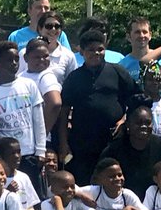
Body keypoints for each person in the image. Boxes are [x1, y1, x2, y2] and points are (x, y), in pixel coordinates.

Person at [58, 30, 136, 185]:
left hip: (114, 141)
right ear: (81, 52)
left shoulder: (118, 71)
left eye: (100, 49)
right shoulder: (74, 78)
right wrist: (63, 143)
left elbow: (136, 99)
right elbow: (63, 112)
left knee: (115, 182)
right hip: (83, 143)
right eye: (91, 50)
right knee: (85, 183)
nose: (96, 53)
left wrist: (125, 119)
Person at [0, 41, 46, 189]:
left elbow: (38, 119)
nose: (13, 63)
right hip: (4, 156)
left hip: (29, 153)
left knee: (32, 194)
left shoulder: (29, 85)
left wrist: (40, 150)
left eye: (16, 59)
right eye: (8, 60)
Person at [38, 11, 78, 84]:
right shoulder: (26, 52)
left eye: (57, 26)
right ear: (40, 29)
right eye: (49, 26)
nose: (53, 29)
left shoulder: (68, 56)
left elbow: (73, 84)